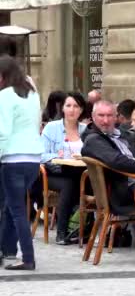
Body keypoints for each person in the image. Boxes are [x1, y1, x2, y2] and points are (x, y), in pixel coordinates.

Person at [0, 56, 43, 270]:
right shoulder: (32, 94)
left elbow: (3, 131)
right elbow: (37, 123)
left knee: (15, 209)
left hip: (12, 158)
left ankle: (27, 257)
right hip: (33, 158)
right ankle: (7, 248)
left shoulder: (5, 96)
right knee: (13, 207)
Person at [39, 92, 87, 245]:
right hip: (53, 173)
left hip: (80, 172)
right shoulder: (52, 128)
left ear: (81, 110)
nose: (72, 110)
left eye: (76, 106)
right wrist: (57, 157)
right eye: (68, 106)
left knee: (88, 181)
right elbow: (40, 154)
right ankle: (62, 232)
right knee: (69, 183)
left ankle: (85, 228)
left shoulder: (86, 130)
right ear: (63, 109)